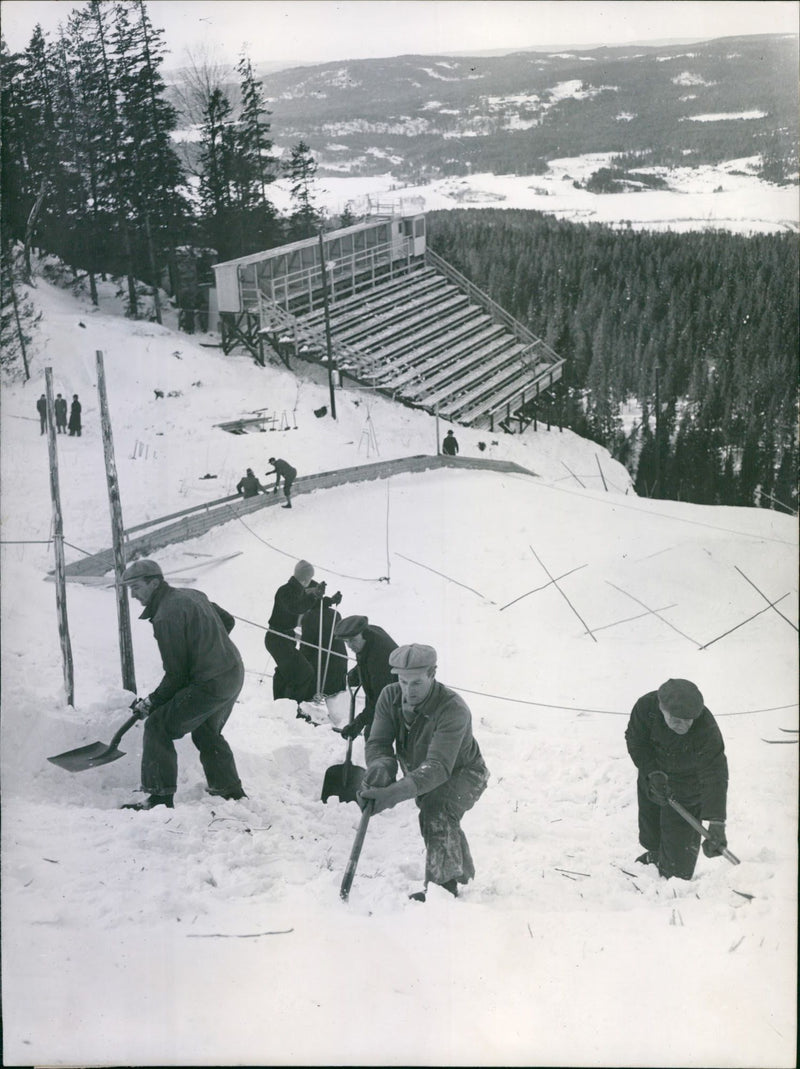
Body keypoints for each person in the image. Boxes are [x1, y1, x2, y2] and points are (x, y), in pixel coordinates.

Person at [359, 643, 489, 901]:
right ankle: (460, 869)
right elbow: (379, 743)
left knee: (437, 808)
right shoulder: (389, 696)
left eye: (416, 683)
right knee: (436, 808)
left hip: (465, 774)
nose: (408, 691)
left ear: (432, 673)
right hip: (424, 771)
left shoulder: (453, 709)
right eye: (403, 682)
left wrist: (392, 795)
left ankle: (443, 889)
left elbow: (439, 768)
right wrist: (379, 769)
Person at [119, 559, 246, 810]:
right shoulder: (191, 594)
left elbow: (177, 675)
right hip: (232, 673)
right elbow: (227, 620)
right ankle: (229, 790)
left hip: (210, 683)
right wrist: (209, 648)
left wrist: (152, 702)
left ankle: (158, 798)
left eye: (135, 587)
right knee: (206, 730)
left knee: (158, 726)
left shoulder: (166, 616)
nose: (132, 595)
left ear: (154, 583)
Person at [624, 678, 729, 880]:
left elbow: (715, 772)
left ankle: (671, 871)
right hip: (654, 774)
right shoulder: (646, 707)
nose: (684, 726)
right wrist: (651, 771)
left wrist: (717, 822)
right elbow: (635, 740)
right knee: (651, 829)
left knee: (677, 874)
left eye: (689, 720)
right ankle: (654, 855)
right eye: (677, 720)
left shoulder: (706, 728)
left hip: (688, 783)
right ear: (662, 708)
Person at [265, 559, 326, 713]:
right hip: (277, 638)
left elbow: (313, 601)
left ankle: (280, 706)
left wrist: (328, 599)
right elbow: (296, 607)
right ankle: (291, 709)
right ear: (305, 579)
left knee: (285, 672)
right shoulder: (285, 591)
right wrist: (314, 596)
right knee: (304, 673)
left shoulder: (298, 589)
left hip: (285, 638)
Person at [334, 615, 398, 741]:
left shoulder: (380, 658)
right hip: (385, 688)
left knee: (374, 738)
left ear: (364, 634)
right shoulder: (368, 635)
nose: (349, 646)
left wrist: (358, 723)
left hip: (399, 698)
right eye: (346, 641)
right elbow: (364, 654)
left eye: (352, 640)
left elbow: (380, 700)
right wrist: (358, 672)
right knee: (371, 734)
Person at [300, 591, 346, 697]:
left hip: (321, 668)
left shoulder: (310, 615)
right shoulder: (335, 613)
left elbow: (306, 646)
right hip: (339, 663)